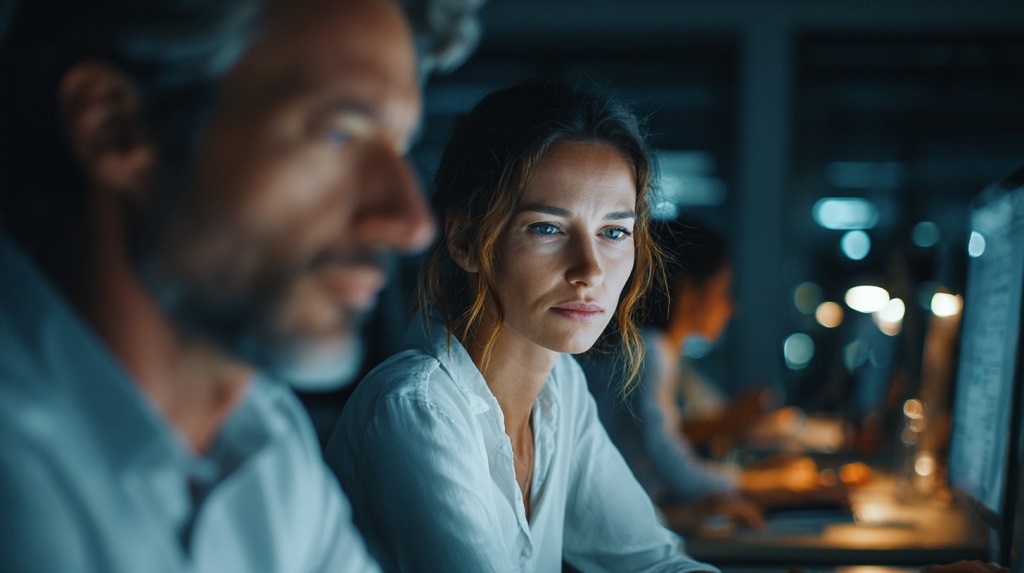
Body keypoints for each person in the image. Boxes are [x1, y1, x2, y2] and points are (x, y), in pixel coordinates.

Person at [0, 0, 434, 570]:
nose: (411, 223)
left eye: (399, 150)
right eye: (339, 135)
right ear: (116, 127)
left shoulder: (266, 437)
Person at [325, 80, 717, 573]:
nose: (590, 270)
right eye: (548, 228)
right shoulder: (417, 408)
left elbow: (652, 563)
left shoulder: (561, 389)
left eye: (614, 232)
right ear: (466, 240)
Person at [580, 217, 849, 532]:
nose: (731, 307)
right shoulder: (648, 352)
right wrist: (764, 484)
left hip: (634, 514)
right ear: (689, 291)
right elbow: (676, 470)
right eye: (723, 290)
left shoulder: (659, 351)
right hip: (616, 525)